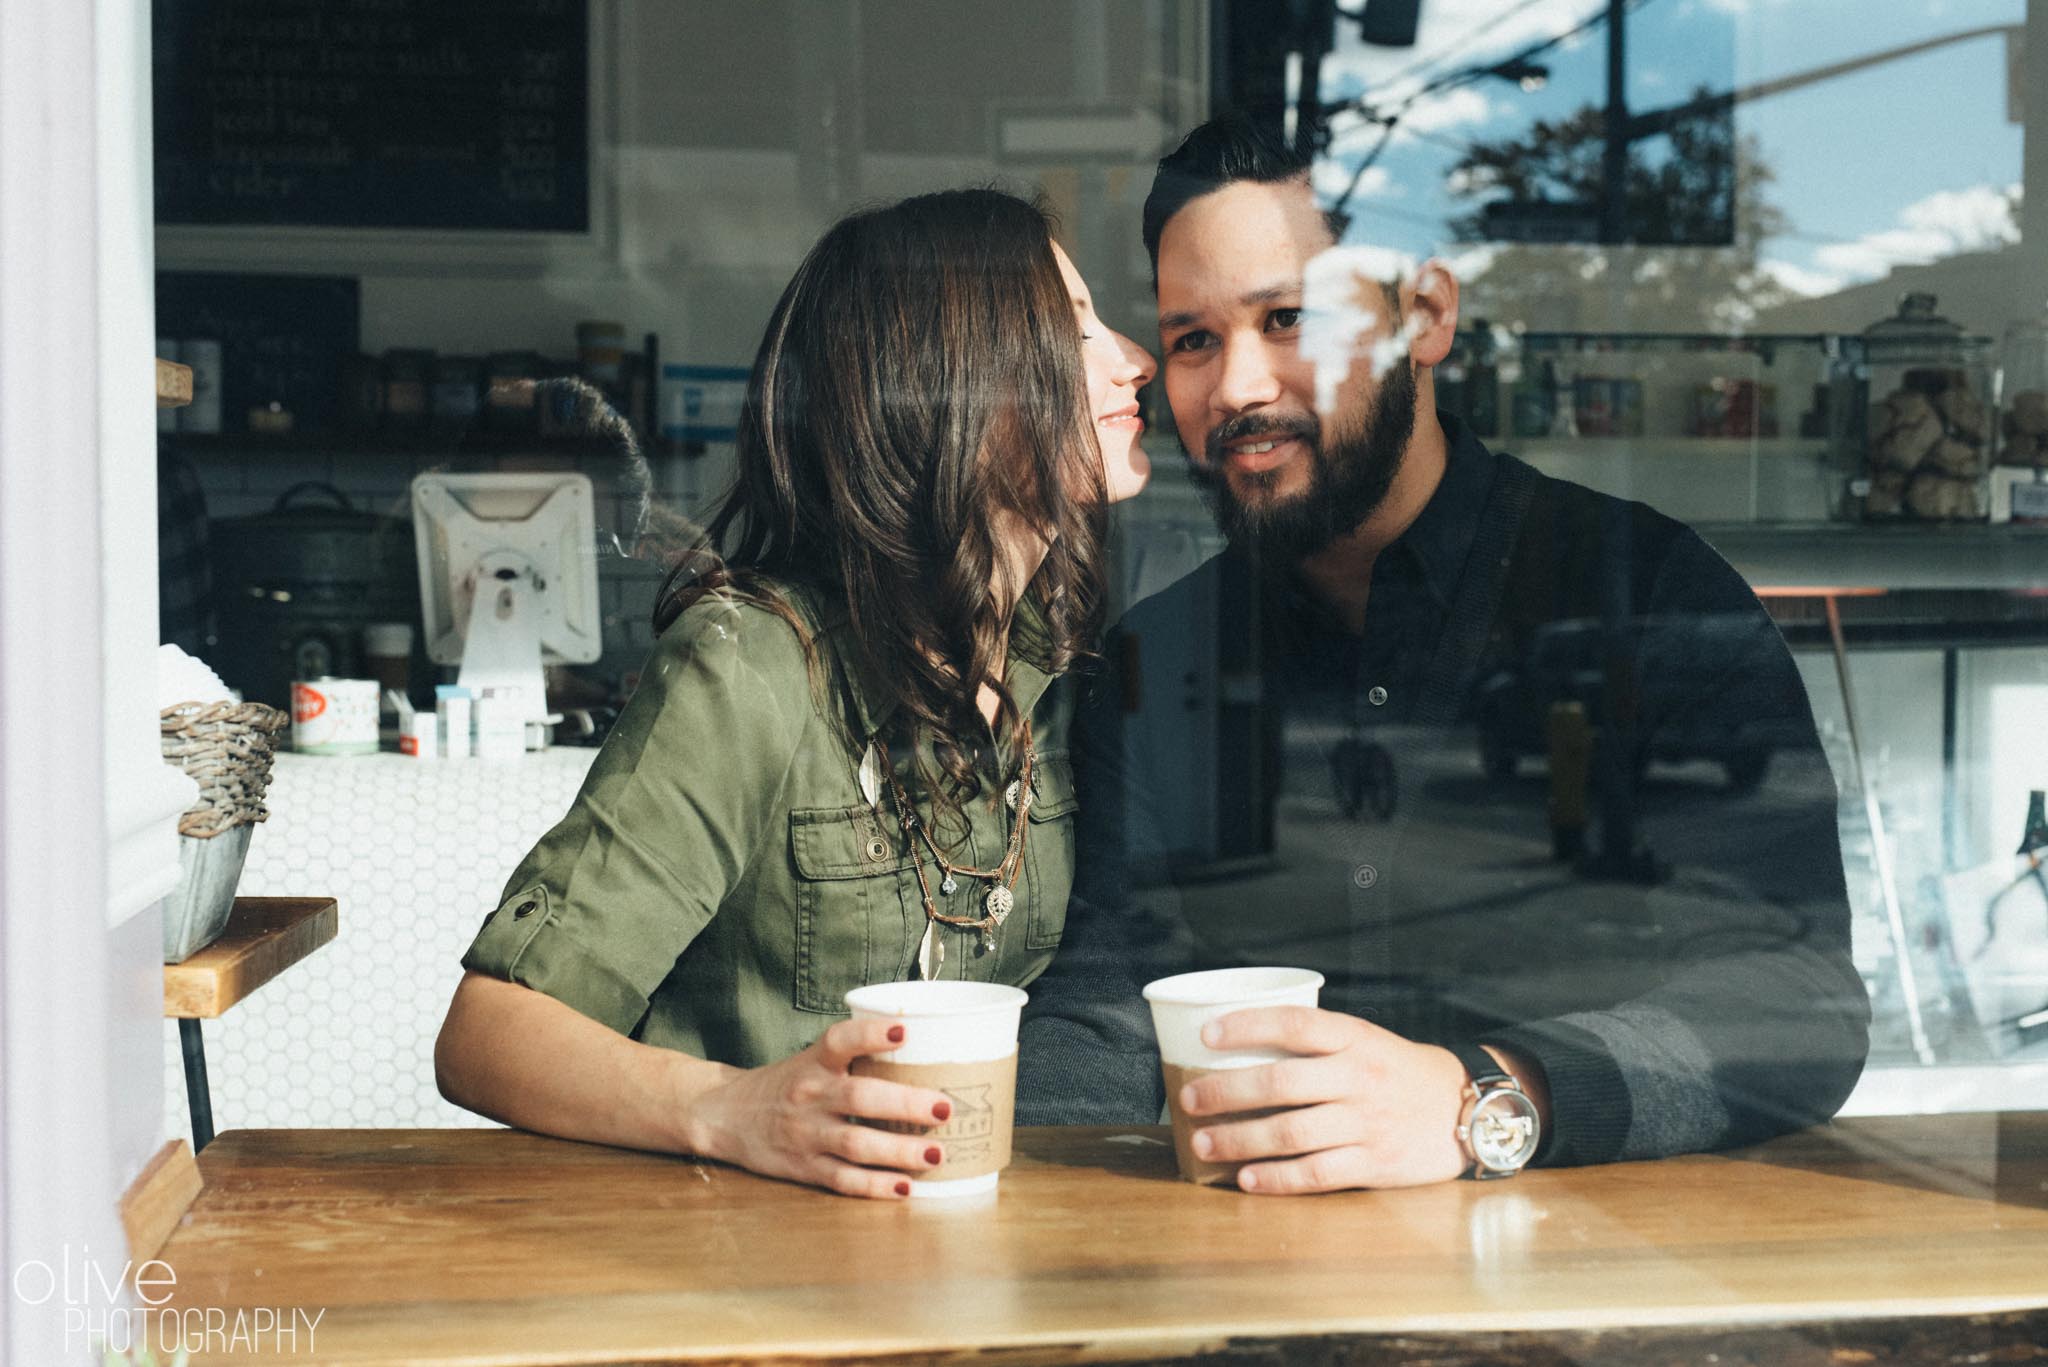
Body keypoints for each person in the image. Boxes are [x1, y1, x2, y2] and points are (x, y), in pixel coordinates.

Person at [1016, 114, 1870, 1191]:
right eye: (1191, 339)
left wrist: (1488, 1095)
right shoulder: (1157, 652)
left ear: (1422, 318)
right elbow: (1103, 1004)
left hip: (1601, 1290)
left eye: (1288, 317)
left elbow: (1796, 1001)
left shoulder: (1643, 591)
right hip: (1243, 1283)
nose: (1234, 387)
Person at [436, 188, 1157, 1200]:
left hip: (951, 1245)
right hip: (733, 1258)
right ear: (951, 385)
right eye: (1072, 327)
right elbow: (488, 1036)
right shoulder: (752, 665)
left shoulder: (1060, 670)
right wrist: (731, 1110)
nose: (1133, 357)